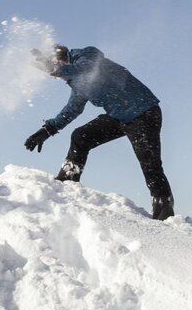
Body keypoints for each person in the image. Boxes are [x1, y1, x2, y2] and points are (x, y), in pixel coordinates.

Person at [24, 44, 174, 220]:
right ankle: (68, 181)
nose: (59, 76)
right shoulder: (78, 83)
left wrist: (55, 68)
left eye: (56, 66)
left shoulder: (88, 56)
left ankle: (163, 207)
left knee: (149, 163)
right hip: (118, 116)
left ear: (62, 59)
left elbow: (86, 68)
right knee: (81, 136)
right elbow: (72, 110)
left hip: (143, 111)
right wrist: (47, 130)